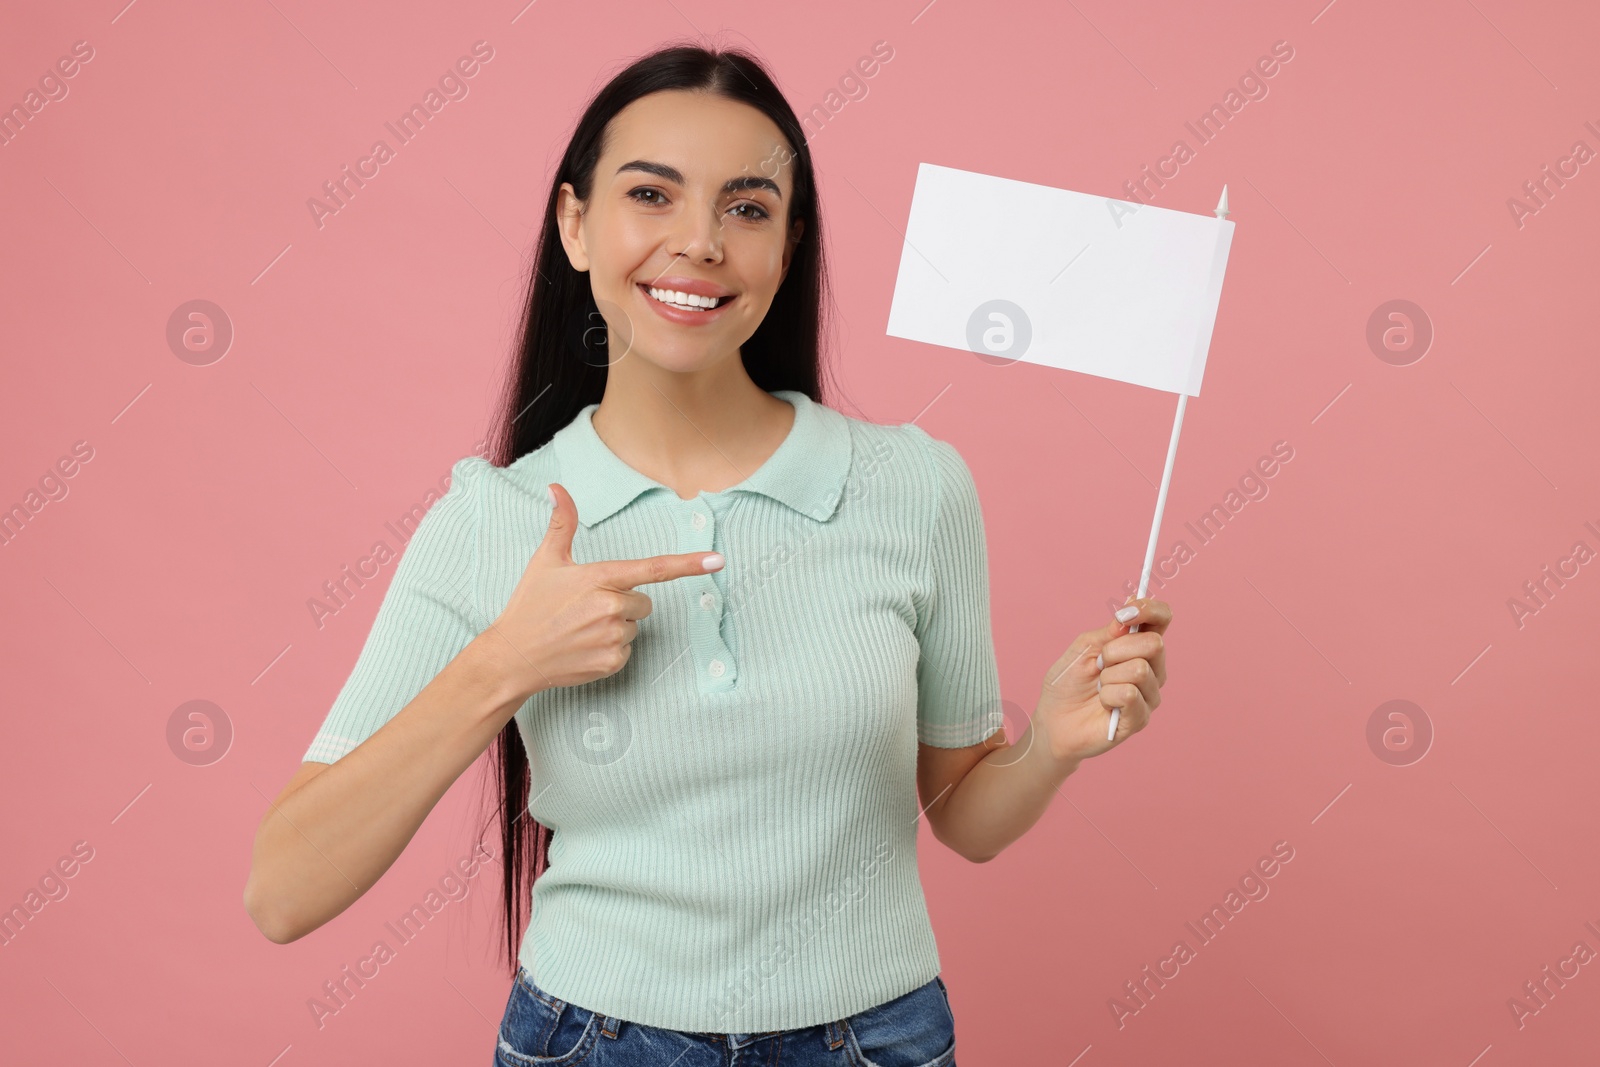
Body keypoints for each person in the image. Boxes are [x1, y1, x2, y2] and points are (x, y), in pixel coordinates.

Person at [243, 42, 1172, 1067]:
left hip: (875, 1038)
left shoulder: (915, 486)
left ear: (788, 243)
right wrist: (505, 662)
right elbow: (284, 892)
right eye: (652, 194)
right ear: (575, 224)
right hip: (590, 1042)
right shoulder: (494, 518)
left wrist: (1050, 747)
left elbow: (966, 817)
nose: (700, 242)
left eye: (746, 207)